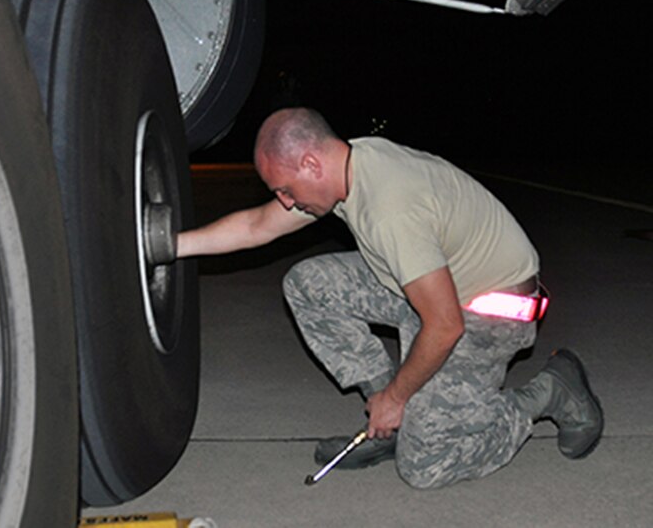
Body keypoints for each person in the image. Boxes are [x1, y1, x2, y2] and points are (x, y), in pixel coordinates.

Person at [176, 107, 603, 488]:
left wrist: (398, 398)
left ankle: (549, 390)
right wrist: (169, 247)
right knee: (310, 285)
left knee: (427, 465)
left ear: (310, 163)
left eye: (285, 189)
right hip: (429, 289)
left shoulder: (390, 207)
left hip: (486, 313)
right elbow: (256, 227)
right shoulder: (349, 165)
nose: (284, 201)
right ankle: (391, 424)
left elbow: (445, 325)